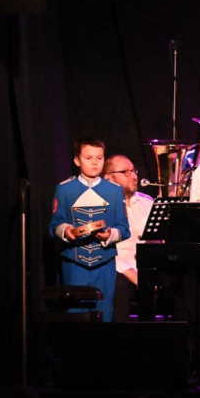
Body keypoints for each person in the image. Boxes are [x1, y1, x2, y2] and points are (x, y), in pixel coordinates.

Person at [50, 138, 131, 322]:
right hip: (74, 263)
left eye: (99, 158)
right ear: (77, 161)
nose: (95, 162)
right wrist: (66, 231)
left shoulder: (114, 191)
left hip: (104, 263)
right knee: (75, 313)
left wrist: (110, 234)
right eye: (88, 158)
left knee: (104, 312)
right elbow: (54, 224)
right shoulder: (64, 190)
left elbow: (124, 228)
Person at [103, 154, 153, 321]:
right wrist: (130, 272)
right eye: (126, 172)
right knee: (117, 284)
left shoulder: (148, 203)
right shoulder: (101, 207)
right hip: (120, 272)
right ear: (108, 178)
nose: (133, 176)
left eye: (134, 171)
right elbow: (104, 250)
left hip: (147, 270)